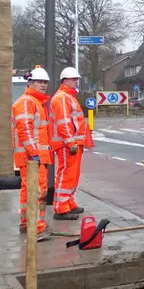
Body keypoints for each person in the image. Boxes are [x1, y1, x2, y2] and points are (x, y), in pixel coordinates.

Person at [11, 67, 52, 237]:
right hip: (32, 158)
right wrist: (34, 153)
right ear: (30, 83)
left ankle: (27, 224)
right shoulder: (28, 102)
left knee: (29, 191)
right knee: (37, 191)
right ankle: (36, 228)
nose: (43, 85)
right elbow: (25, 130)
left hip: (32, 157)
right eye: (39, 82)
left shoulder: (33, 102)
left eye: (45, 82)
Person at [49, 67, 93, 220]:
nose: (76, 82)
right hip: (67, 144)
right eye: (74, 79)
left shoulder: (67, 97)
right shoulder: (62, 98)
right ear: (65, 80)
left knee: (72, 175)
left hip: (72, 143)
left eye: (77, 79)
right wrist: (70, 142)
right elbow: (64, 123)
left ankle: (68, 202)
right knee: (66, 174)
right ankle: (61, 208)